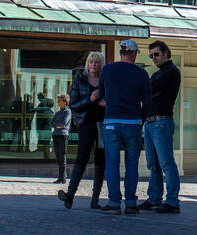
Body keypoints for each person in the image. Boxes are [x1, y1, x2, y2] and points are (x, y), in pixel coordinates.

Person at [98, 38, 152, 214]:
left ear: (121, 53)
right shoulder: (142, 74)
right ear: (134, 54)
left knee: (112, 163)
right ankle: (130, 203)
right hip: (133, 122)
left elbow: (101, 94)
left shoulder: (107, 69)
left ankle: (114, 203)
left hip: (111, 121)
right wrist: (140, 120)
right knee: (131, 164)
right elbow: (148, 102)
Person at [60, 52, 107, 209]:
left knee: (101, 161)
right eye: (91, 62)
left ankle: (95, 199)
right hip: (86, 123)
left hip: (102, 124)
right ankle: (70, 195)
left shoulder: (106, 80)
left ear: (101, 64)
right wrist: (90, 99)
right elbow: (73, 104)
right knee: (82, 159)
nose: (93, 65)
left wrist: (107, 103)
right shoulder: (80, 80)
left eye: (97, 62)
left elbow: (114, 99)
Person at [142, 40, 182, 213]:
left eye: (156, 54)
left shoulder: (171, 71)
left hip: (161, 121)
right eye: (151, 56)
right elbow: (148, 92)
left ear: (166, 52)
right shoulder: (158, 73)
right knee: (153, 164)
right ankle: (154, 199)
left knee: (166, 163)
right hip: (151, 122)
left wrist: (150, 92)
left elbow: (148, 90)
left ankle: (172, 202)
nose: (153, 58)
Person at [51, 93, 71, 183]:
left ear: (65, 102)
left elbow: (63, 124)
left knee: (62, 156)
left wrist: (57, 124)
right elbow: (52, 123)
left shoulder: (67, 112)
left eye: (60, 101)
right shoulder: (58, 112)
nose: (58, 103)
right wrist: (57, 125)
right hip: (56, 135)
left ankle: (62, 178)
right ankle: (63, 175)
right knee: (58, 156)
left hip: (63, 135)